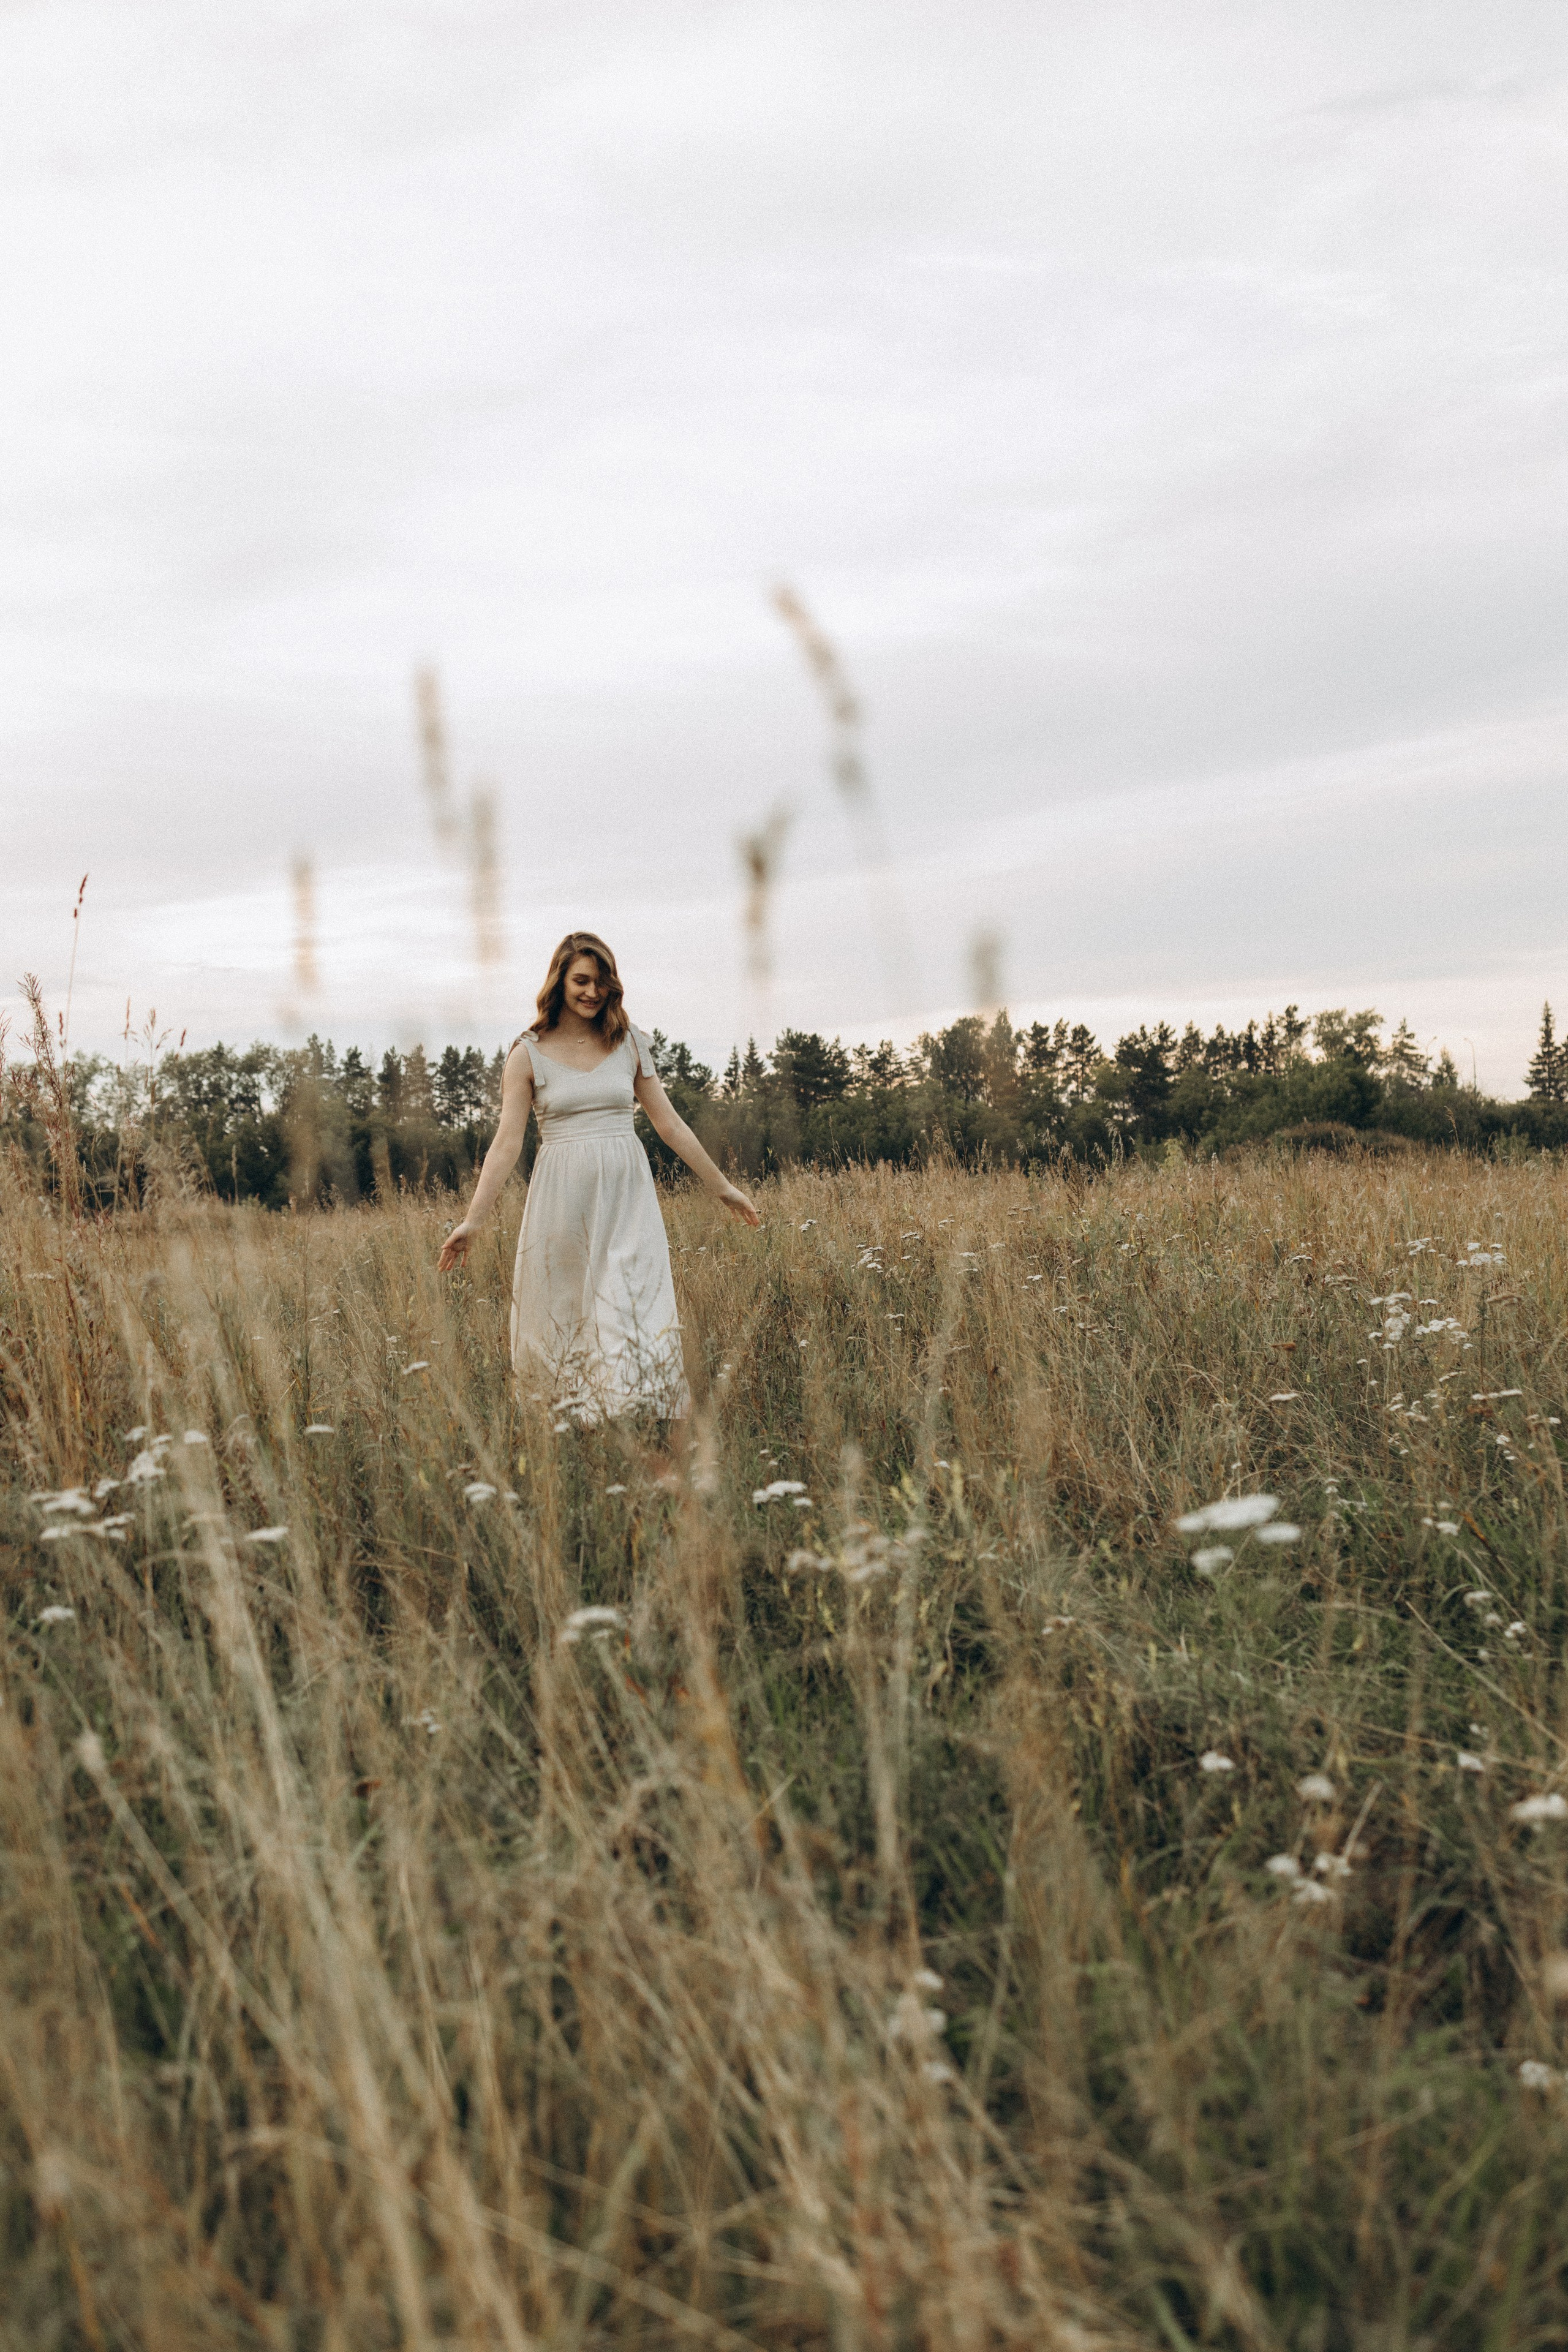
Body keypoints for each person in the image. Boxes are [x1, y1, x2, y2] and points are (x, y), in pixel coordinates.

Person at [437, 932, 759, 1431]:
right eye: (581, 980)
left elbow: (669, 1124)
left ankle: (660, 1426)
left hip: (627, 1195)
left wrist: (722, 1186)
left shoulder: (628, 1043)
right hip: (561, 1197)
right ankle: (575, 1426)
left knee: (638, 1300)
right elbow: (506, 1142)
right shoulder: (528, 1054)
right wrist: (473, 1221)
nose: (592, 992)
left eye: (601, 982)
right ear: (559, 981)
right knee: (565, 1307)